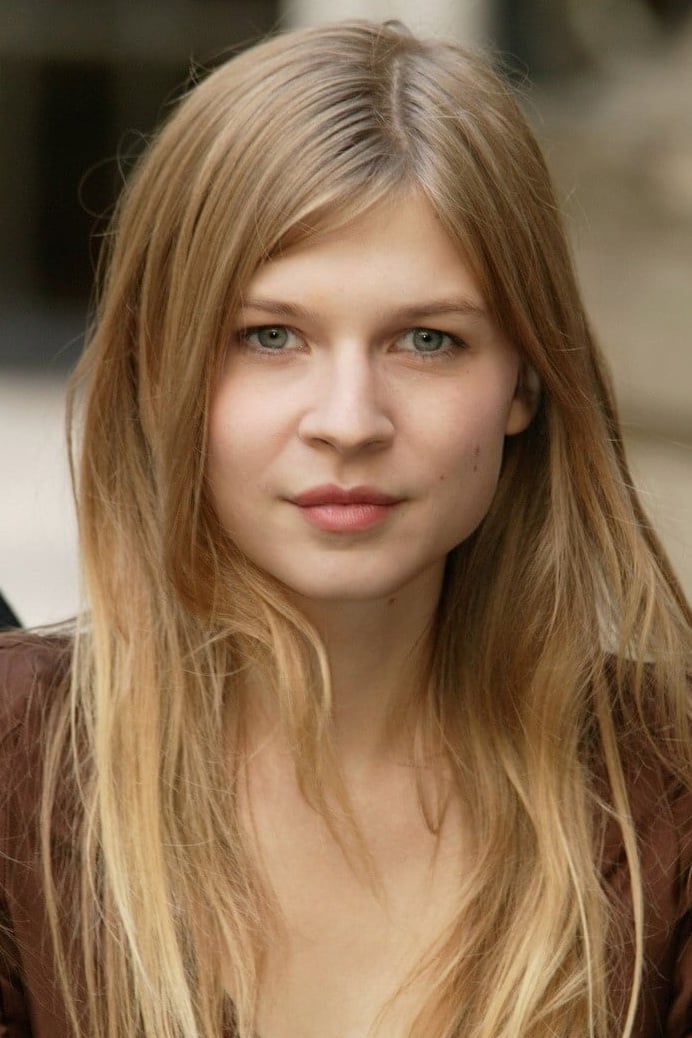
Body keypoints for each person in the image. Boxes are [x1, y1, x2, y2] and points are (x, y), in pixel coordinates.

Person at [0, 19, 690, 1038]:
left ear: (525, 382)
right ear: (156, 371)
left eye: (427, 340)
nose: (349, 421)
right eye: (269, 336)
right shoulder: (17, 766)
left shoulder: (666, 791)